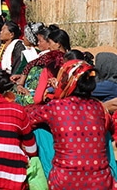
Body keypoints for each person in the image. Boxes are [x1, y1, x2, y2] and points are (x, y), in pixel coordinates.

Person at [27, 59, 116, 190]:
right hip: (102, 183)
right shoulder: (99, 107)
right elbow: (112, 128)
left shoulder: (55, 107)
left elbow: (28, 120)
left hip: (64, 182)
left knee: (39, 130)